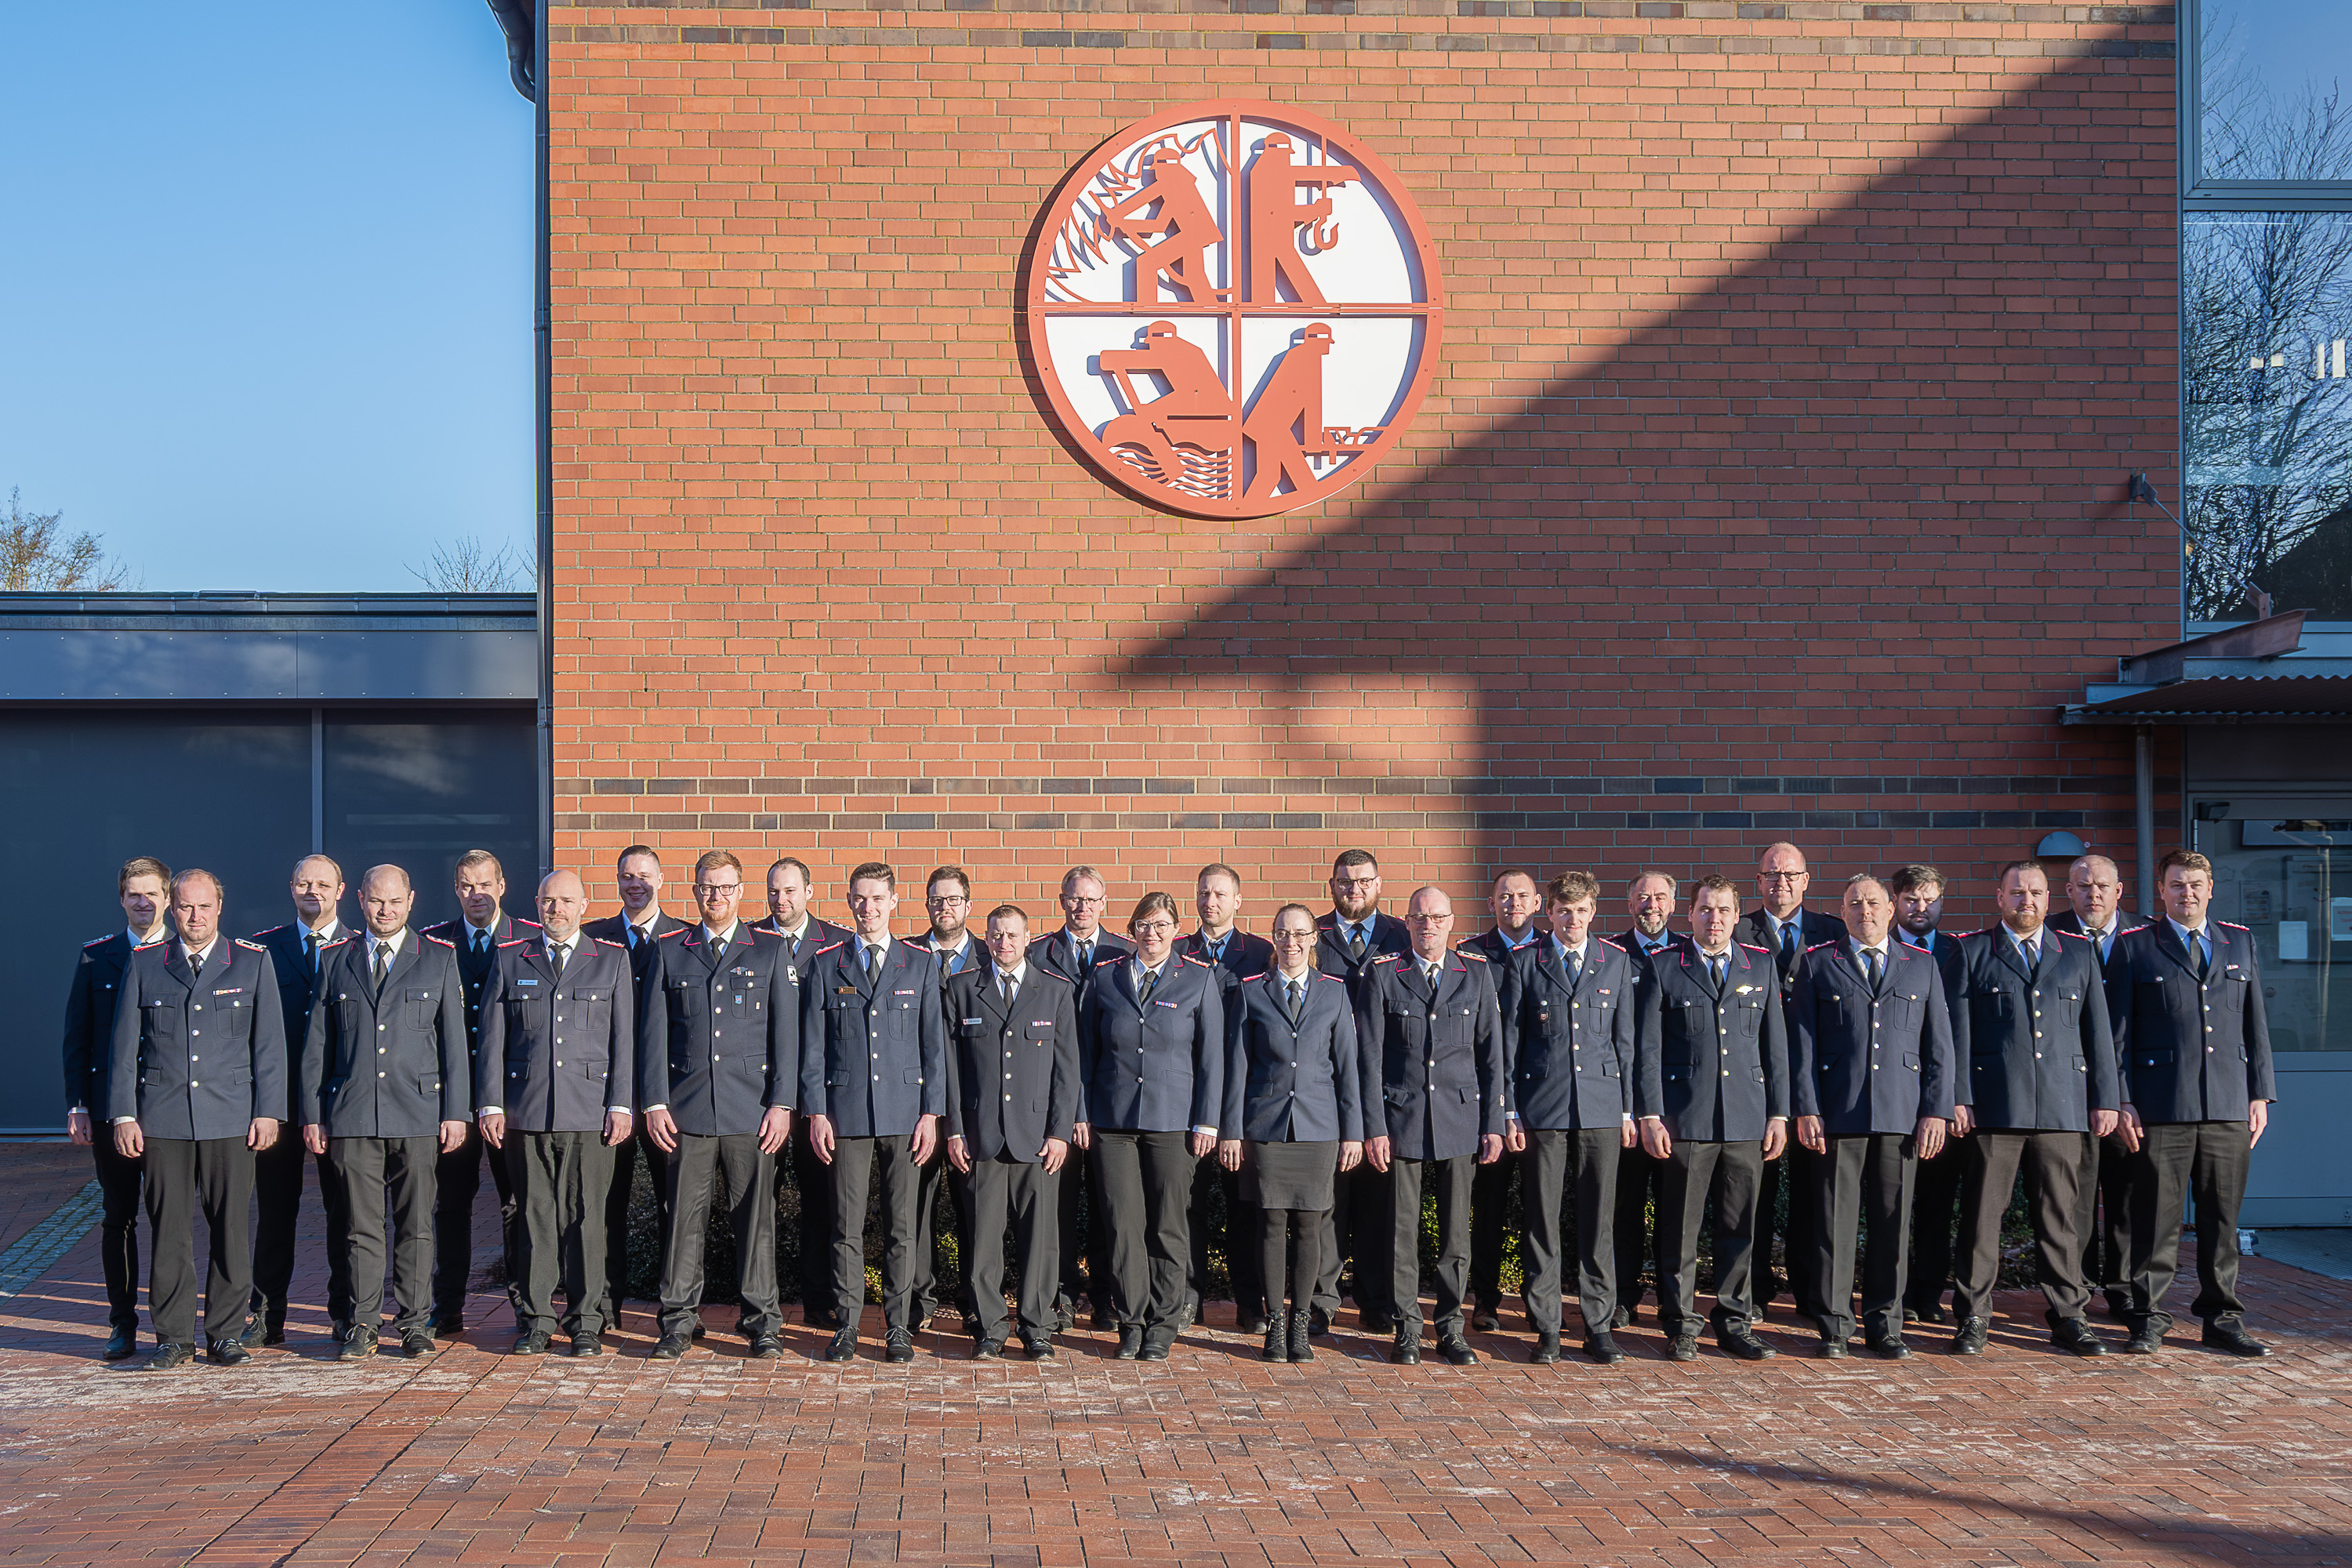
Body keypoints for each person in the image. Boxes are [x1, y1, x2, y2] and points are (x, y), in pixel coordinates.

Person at [107, 869, 285, 1370]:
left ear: (219, 908)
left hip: (231, 1118)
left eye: (204, 907)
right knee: (169, 1231)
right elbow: (124, 1049)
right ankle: (172, 1336)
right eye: (185, 907)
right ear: (172, 908)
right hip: (162, 1118)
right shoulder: (146, 964)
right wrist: (124, 1114)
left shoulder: (251, 962)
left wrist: (269, 1110)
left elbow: (270, 1047)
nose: (195, 917)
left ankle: (225, 1333)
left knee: (230, 1228)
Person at [1946, 860, 2118, 1358]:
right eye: (2017, 893)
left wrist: (2105, 1098)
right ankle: (1973, 1316)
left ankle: (2069, 1315)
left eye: (2037, 893)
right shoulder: (1972, 950)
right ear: (1999, 898)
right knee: (1982, 1216)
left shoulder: (2078, 953)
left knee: (2061, 1216)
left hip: (2062, 1106)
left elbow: (2097, 1032)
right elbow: (1956, 1033)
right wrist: (1959, 1097)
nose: (2027, 902)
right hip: (1995, 1108)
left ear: (2050, 898)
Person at [299, 865, 470, 1362]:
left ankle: (415, 1323)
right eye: (377, 901)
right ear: (359, 900)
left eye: (395, 901)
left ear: (411, 900)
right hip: (351, 1114)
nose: (386, 910)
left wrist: (455, 1111)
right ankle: (362, 1324)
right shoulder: (336, 960)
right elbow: (317, 1044)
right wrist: (313, 1113)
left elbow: (454, 1045)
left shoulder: (437, 959)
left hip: (417, 1112)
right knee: (359, 1225)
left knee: (416, 1224)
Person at [2111, 849, 2278, 1358]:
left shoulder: (2239, 942)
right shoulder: (2135, 947)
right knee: (2155, 1221)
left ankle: (2222, 1318)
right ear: (2160, 891)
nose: (2187, 893)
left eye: (2196, 885)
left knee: (2221, 1222)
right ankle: (2147, 1317)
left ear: (2210, 890)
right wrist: (2122, 1099)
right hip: (2161, 1108)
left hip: (2228, 1106)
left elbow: (2256, 1027)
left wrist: (2260, 1093)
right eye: (2177, 885)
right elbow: (2117, 1036)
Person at [639, 851, 797, 1361]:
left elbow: (787, 1039)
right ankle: (679, 1322)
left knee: (756, 1221)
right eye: (708, 888)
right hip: (686, 1113)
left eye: (726, 888)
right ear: (694, 890)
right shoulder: (670, 950)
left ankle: (763, 1323)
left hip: (751, 1112)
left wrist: (782, 1105)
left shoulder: (769, 951)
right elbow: (652, 1036)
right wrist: (655, 1102)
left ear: (740, 890)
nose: (716, 897)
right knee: (683, 1219)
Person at [1789, 873, 1954, 1359]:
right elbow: (1802, 1046)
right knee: (1834, 1225)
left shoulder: (1921, 966)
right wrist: (1807, 1107)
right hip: (1837, 1114)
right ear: (1843, 912)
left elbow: (1939, 1046)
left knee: (1892, 1222)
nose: (1865, 910)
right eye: (1855, 903)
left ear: (1890, 910)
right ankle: (1835, 1324)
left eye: (1874, 903)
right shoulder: (1819, 963)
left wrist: (1935, 1111)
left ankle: (1885, 1324)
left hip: (1901, 1115)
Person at [475, 871, 636, 1356]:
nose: (556, 909)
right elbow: (492, 1041)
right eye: (548, 901)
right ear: (537, 904)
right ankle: (536, 1318)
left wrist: (622, 1103)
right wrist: (491, 1103)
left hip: (590, 1113)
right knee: (533, 1217)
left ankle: (587, 1319)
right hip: (526, 1113)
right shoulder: (510, 959)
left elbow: (624, 1040)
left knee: (588, 1218)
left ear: (584, 905)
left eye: (566, 901)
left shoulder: (610, 960)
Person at [1632, 873, 1788, 1362]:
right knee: (1680, 1227)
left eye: (1723, 910)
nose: (1714, 918)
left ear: (1737, 916)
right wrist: (1651, 1114)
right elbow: (1648, 1050)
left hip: (1745, 1117)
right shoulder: (1664, 967)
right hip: (1686, 1119)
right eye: (1705, 909)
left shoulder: (1760, 967)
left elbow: (1775, 1047)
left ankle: (1734, 1321)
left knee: (1739, 1226)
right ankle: (1680, 1322)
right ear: (1691, 914)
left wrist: (1779, 1113)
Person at [799, 862, 946, 1364]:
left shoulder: (920, 963)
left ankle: (899, 1327)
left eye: (878, 898)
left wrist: (931, 1114)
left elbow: (934, 1048)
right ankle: (846, 1325)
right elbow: (813, 1048)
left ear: (894, 900)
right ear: (848, 901)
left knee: (902, 1228)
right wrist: (816, 1112)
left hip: (905, 1116)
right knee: (846, 1226)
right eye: (860, 899)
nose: (869, 908)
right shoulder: (826, 963)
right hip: (846, 1116)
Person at [1356, 887, 1505, 1366]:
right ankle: (1407, 1328)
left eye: (1437, 918)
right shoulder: (1383, 976)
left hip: (1460, 1120)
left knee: (1454, 1236)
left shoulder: (1476, 973)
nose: (1428, 926)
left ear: (1451, 922)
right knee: (1403, 1232)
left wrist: (1494, 1123)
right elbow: (1370, 1059)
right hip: (1402, 1120)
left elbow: (1491, 1056)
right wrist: (1374, 1127)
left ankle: (1450, 1327)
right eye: (1419, 917)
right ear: (1408, 921)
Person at [1074, 891, 1225, 1361]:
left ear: (1176, 930)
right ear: (1131, 928)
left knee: (1167, 1224)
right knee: (1122, 1225)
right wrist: (1081, 1114)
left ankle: (1163, 1322)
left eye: (1161, 925)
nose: (1152, 933)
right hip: (1112, 1122)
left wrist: (1207, 1121)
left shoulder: (1198, 980)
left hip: (1173, 1124)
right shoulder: (1105, 978)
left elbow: (1213, 1059)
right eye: (1143, 924)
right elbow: (1081, 1054)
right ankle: (1131, 1320)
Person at [1497, 870, 1640, 1364]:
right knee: (1542, 1217)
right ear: (1549, 912)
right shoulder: (1525, 962)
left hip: (1601, 1107)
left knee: (1599, 1220)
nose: (1572, 919)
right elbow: (1510, 1042)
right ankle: (1548, 1326)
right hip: (1543, 1106)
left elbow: (1626, 1043)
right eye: (1563, 911)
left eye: (1581, 911)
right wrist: (1510, 1110)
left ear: (1593, 913)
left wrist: (1628, 1111)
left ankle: (1598, 1324)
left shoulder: (1615, 961)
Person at [1221, 904, 1365, 1363]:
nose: (1291, 942)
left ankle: (1301, 1322)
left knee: (1309, 1225)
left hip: (1319, 1126)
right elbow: (1236, 1068)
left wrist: (1354, 1134)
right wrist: (1231, 1131)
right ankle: (1275, 1325)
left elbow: (1348, 1070)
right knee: (1270, 1223)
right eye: (1282, 933)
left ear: (1313, 939)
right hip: (1265, 1126)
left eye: (1300, 933)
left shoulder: (1335, 993)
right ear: (1273, 937)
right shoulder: (1250, 992)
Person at [944, 904, 1080, 1358]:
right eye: (996, 935)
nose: (1004, 943)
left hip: (1037, 1138)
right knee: (984, 1239)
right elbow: (951, 1070)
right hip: (981, 1135)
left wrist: (1060, 1132)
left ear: (1028, 938)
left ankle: (1037, 1325)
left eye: (1013, 935)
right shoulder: (963, 989)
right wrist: (956, 1130)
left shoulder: (1055, 992)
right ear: (986, 938)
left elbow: (1067, 1072)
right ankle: (990, 1327)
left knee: (1040, 1238)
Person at [419, 850, 540, 1337]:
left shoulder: (529, 940)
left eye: (485, 884)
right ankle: (447, 1305)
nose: (477, 894)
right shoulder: (433, 943)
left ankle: (523, 1307)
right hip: (451, 1098)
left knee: (517, 1203)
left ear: (502, 885)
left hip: (510, 1100)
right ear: (456, 890)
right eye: (467, 886)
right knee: (450, 1204)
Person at [1734, 842, 1849, 1321]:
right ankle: (1755, 1290)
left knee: (1814, 1192)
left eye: (1789, 874)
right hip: (1753, 1077)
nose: (1780, 882)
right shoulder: (1738, 930)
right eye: (1770, 874)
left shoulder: (1834, 930)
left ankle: (1808, 1289)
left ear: (1806, 880)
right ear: (1758, 883)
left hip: (1819, 1080)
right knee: (1754, 1191)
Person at [62, 855, 171, 1361]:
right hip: (111, 1110)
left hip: (173, 1108)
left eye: (152, 893)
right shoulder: (97, 957)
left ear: (167, 897)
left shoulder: (187, 953)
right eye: (134, 894)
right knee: (119, 1217)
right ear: (122, 899)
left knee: (173, 1219)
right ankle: (122, 1323)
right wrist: (79, 1105)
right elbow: (78, 1038)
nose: (143, 902)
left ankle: (176, 1325)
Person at [247, 855, 350, 1348]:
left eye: (323, 884)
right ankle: (266, 1314)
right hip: (281, 1106)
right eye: (304, 883)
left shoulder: (358, 947)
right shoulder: (263, 949)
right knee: (274, 1211)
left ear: (341, 890)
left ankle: (345, 1310)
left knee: (346, 1211)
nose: (314, 892)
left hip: (341, 1104)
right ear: (291, 888)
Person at [583, 844, 687, 1322]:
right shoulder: (592, 939)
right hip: (608, 1095)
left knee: (677, 1207)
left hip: (670, 1096)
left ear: (661, 879)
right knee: (606, 1205)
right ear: (617, 881)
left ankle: (679, 1309)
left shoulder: (687, 938)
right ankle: (605, 1307)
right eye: (627, 876)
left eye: (644, 875)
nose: (635, 883)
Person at [1028, 866, 1133, 1330]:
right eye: (1074, 898)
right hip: (1054, 1096)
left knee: (1112, 1203)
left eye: (1090, 899)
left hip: (1113, 1099)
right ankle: (1063, 1292)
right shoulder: (1036, 954)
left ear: (1104, 903)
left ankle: (1107, 1294)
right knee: (1059, 1202)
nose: (1082, 907)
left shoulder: (1125, 952)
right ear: (1061, 900)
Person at [1311, 848, 1410, 1336]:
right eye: (1345, 882)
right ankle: (1322, 1301)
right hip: (1322, 1085)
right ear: (1332, 886)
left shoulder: (1401, 935)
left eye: (1363, 881)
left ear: (1378, 884)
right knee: (1328, 1199)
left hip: (1384, 1084)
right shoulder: (1315, 934)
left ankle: (1375, 1298)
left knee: (1378, 1198)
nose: (1354, 889)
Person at [754, 857, 851, 1328]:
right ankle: (762, 1302)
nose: (781, 900)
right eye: (774, 891)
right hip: (762, 1094)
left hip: (818, 1094)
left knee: (822, 1200)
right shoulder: (751, 940)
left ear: (809, 892)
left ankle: (819, 1299)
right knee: (759, 1204)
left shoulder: (836, 943)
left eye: (790, 891)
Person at [1181, 862, 1275, 1332]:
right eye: (1203, 894)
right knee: (1186, 1204)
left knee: (1246, 1207)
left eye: (1220, 894)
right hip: (1187, 1098)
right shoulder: (1176, 950)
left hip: (1243, 1098)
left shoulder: (1260, 953)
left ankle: (1249, 1304)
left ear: (1238, 901)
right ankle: (1187, 1299)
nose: (1210, 901)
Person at [2046, 851, 2140, 1320]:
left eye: (2102, 885)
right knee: (2075, 1198)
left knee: (2124, 1194)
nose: (2093, 894)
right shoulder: (2050, 933)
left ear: (2119, 890)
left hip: (2131, 1094)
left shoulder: (2146, 935)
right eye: (2083, 886)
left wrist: (2123, 1094)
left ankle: (2121, 1289)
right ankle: (2076, 1288)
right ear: (2068, 891)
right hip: (2067, 1091)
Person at [1465, 867, 1543, 1333]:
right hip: (1486, 1103)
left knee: (1540, 1208)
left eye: (1522, 896)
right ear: (1491, 904)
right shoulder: (1473, 955)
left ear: (1537, 904)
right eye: (1504, 896)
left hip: (1540, 1103)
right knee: (1488, 1207)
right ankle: (1486, 1301)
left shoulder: (1550, 953)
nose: (1513, 902)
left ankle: (1539, 1302)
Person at [1889, 863, 1965, 1327]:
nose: (1922, 908)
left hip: (1942, 1097)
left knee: (1936, 1203)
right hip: (1892, 1094)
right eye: (1912, 899)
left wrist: (1953, 1097)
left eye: (1931, 899)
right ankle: (1890, 1293)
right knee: (1891, 1203)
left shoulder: (1961, 952)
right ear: (1896, 902)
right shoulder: (1883, 949)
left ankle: (1927, 1292)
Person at [913, 866, 984, 1333]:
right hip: (917, 1103)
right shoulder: (908, 955)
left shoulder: (992, 955)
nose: (945, 908)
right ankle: (919, 1300)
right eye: (937, 900)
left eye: (953, 899)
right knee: (916, 1207)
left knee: (975, 1206)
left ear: (968, 905)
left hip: (976, 1104)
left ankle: (976, 1301)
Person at [1610, 869, 1680, 1327]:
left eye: (1659, 898)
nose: (1650, 905)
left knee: (1678, 1207)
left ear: (1674, 905)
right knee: (1624, 1206)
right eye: (1642, 897)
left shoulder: (1686, 955)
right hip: (1625, 1102)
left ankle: (1675, 1301)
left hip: (1678, 1102)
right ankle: (1622, 1295)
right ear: (1629, 902)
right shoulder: (1611, 954)